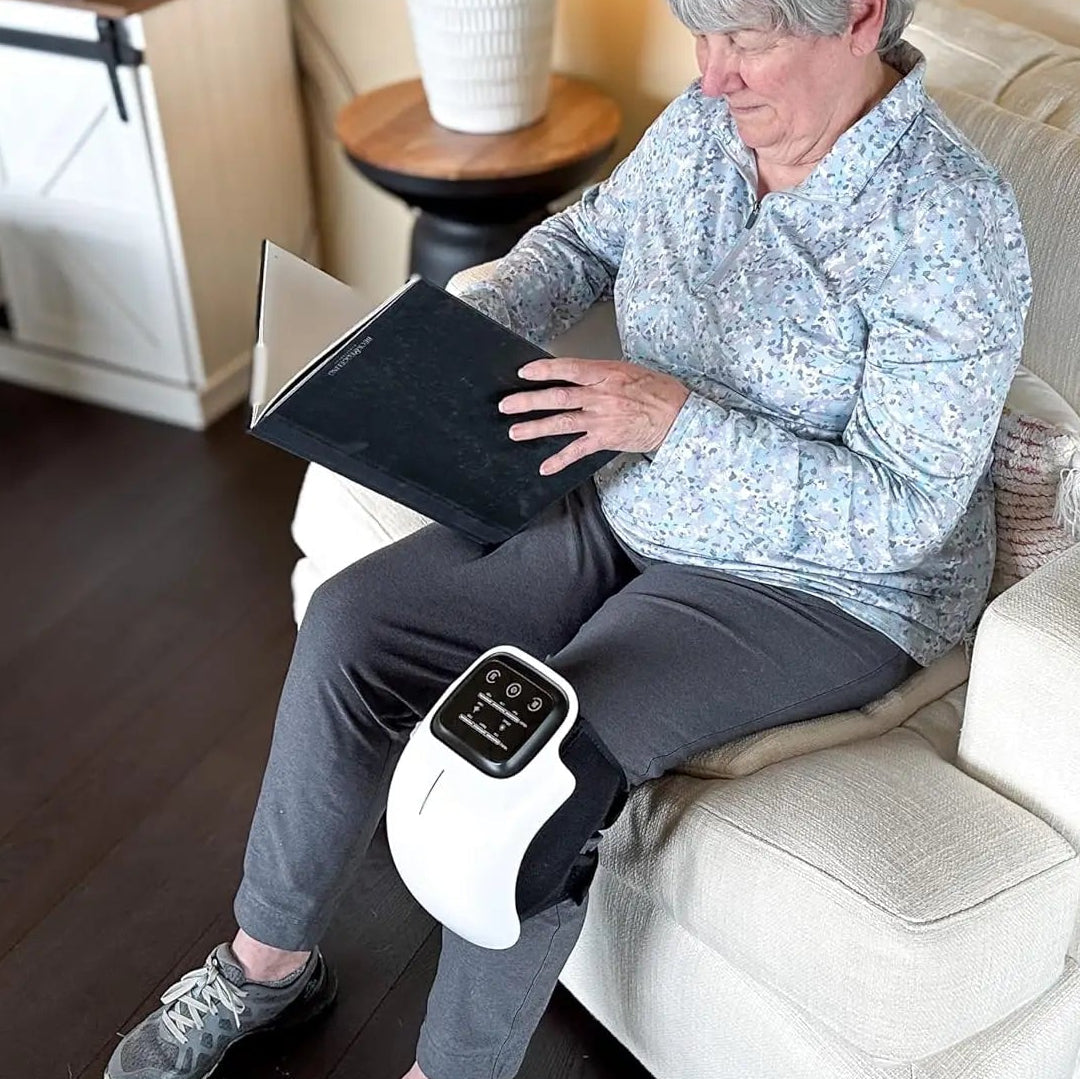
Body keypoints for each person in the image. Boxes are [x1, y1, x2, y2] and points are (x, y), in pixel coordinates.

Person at [106, 0, 1032, 1076]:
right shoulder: (705, 121)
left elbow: (905, 508)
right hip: (636, 490)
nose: (714, 74)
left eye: (748, 41)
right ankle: (267, 966)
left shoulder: (951, 222)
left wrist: (673, 420)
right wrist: (488, 312)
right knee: (359, 620)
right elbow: (593, 234)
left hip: (820, 582)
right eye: (702, 31)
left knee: (529, 760)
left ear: (861, 18)